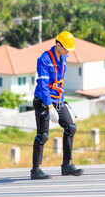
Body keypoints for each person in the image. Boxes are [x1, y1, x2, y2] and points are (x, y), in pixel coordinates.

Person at [31, 31, 84, 179]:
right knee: (43, 135)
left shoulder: (64, 58)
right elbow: (43, 85)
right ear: (58, 44)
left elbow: (58, 83)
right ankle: (35, 171)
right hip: (43, 101)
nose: (68, 52)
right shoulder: (44, 59)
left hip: (58, 101)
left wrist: (59, 103)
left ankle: (66, 166)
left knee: (70, 128)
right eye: (66, 48)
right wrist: (49, 107)